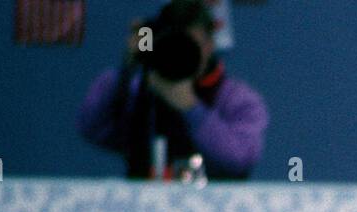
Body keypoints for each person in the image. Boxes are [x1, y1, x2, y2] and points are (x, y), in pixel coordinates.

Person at [77, 0, 268, 180]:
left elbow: (239, 159)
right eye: (175, 44)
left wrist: (191, 108)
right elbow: (92, 128)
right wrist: (130, 66)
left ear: (210, 45)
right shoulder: (140, 89)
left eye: (191, 45)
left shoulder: (238, 99)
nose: (181, 53)